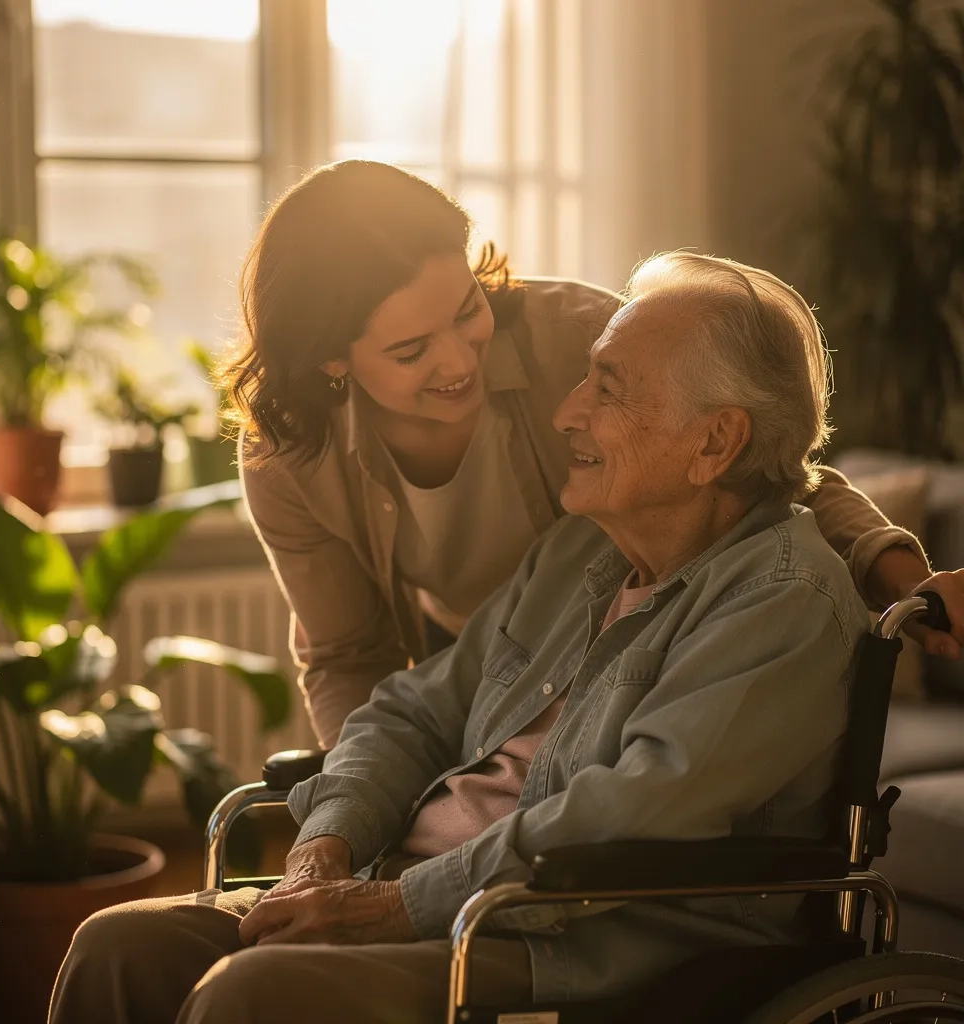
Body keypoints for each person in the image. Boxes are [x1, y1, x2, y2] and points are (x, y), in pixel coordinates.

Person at [55, 253, 889, 1024]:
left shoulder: (782, 601)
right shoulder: (579, 553)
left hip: (564, 940)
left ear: (715, 442)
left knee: (253, 997)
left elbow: (628, 818)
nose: (567, 411)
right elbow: (411, 711)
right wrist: (327, 848)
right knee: (121, 946)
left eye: (607, 387)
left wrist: (391, 907)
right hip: (424, 898)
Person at [228, 160, 962, 748]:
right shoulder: (287, 456)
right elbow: (349, 658)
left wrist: (911, 581)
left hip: (639, 647)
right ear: (331, 362)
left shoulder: (581, 338)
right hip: (478, 658)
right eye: (411, 350)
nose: (459, 362)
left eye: (466, 311)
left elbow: (768, 467)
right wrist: (355, 812)